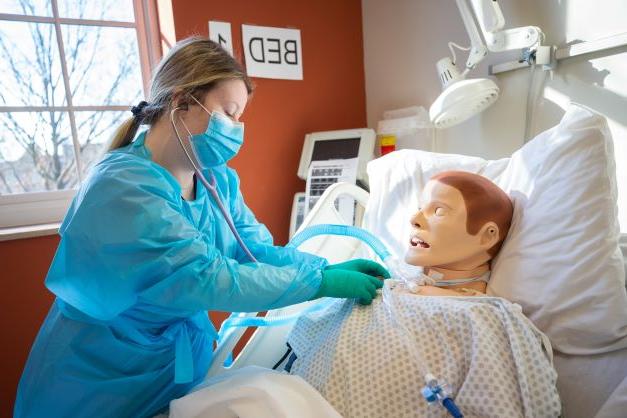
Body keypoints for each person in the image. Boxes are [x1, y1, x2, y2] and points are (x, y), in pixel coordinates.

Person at [14, 37, 388, 418]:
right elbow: (209, 278)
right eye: (228, 112)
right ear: (180, 102)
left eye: (240, 116)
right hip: (100, 374)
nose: (237, 128)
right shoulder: (123, 188)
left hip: (169, 367)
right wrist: (320, 285)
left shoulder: (215, 180)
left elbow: (253, 250)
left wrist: (321, 269)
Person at [404, 170, 513, 296]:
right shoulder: (398, 283)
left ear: (486, 237)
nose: (414, 220)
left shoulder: (480, 311)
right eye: (420, 208)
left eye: (439, 211)